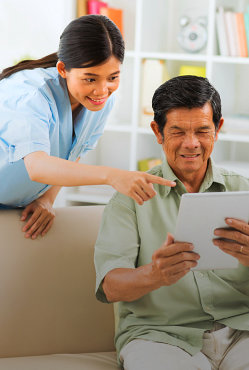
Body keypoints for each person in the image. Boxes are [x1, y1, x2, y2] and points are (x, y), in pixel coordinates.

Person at [95, 75, 249, 370]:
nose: (191, 144)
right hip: (160, 337)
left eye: (203, 131)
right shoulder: (129, 199)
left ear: (217, 128)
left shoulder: (243, 190)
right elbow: (112, 287)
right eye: (178, 131)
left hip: (242, 331)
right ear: (158, 131)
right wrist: (155, 275)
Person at [0, 15, 175, 239]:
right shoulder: (30, 94)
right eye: (90, 79)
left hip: (13, 211)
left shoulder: (101, 103)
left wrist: (47, 198)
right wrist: (112, 176)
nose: (102, 90)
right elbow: (38, 166)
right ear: (63, 69)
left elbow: (74, 154)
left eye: (112, 77)